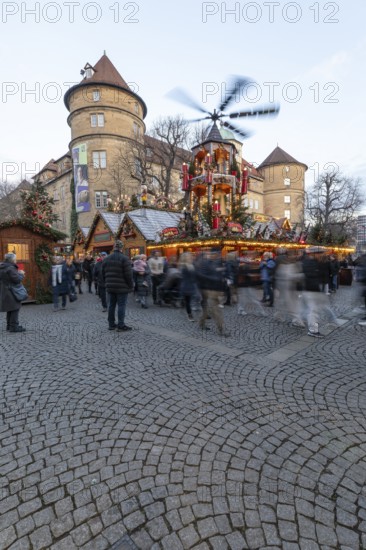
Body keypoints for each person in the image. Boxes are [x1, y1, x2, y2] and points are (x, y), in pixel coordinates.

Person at [196, 248, 230, 337]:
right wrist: (214, 279)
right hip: (208, 289)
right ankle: (221, 329)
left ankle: (201, 323)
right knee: (216, 310)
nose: (216, 255)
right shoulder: (205, 263)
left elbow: (222, 274)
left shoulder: (218, 262)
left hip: (217, 290)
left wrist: (224, 282)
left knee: (207, 309)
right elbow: (200, 275)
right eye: (214, 254)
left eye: (217, 254)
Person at [101, 240, 134, 331]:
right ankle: (120, 325)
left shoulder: (106, 259)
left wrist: (106, 283)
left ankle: (111, 324)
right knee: (121, 305)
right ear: (121, 248)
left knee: (111, 305)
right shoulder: (125, 258)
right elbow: (129, 275)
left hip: (110, 286)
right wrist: (131, 286)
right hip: (122, 287)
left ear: (113, 247)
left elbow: (103, 273)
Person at [0, 253, 26, 332]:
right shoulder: (10, 268)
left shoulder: (2, 267)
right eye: (15, 259)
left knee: (10, 308)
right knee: (15, 308)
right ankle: (14, 327)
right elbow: (17, 280)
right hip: (12, 291)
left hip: (5, 290)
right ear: (12, 259)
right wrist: (21, 274)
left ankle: (9, 326)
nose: (16, 260)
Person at [178, 252, 197, 321]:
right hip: (186, 286)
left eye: (190, 256)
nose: (191, 257)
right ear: (185, 258)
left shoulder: (192, 265)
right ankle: (190, 315)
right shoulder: (183, 266)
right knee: (188, 301)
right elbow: (184, 277)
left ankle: (183, 303)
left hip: (192, 285)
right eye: (189, 256)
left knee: (195, 299)